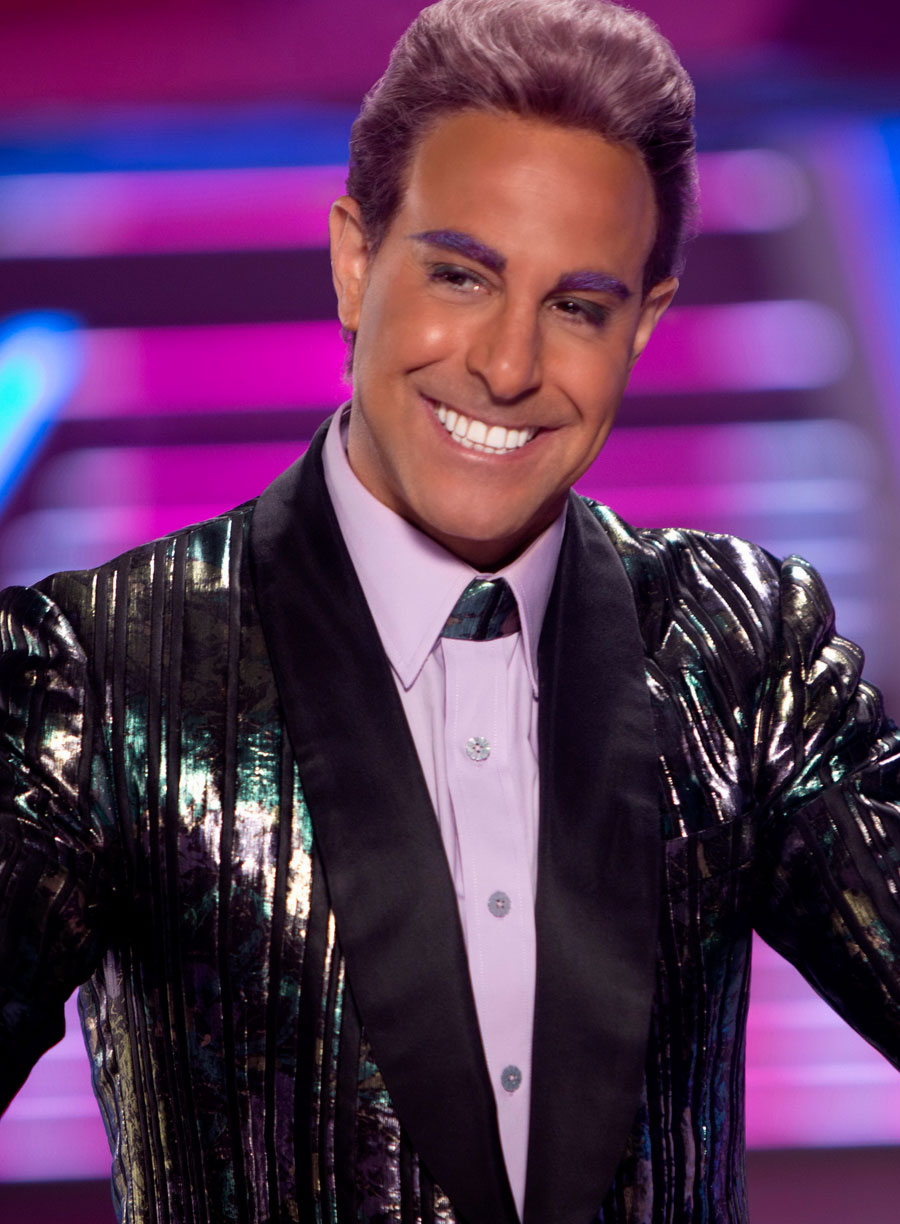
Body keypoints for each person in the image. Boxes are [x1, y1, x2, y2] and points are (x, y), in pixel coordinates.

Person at [1, 0, 899, 1221]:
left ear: (643, 324)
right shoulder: (101, 672)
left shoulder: (738, 649)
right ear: (354, 261)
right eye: (462, 277)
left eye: (577, 307)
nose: (509, 366)